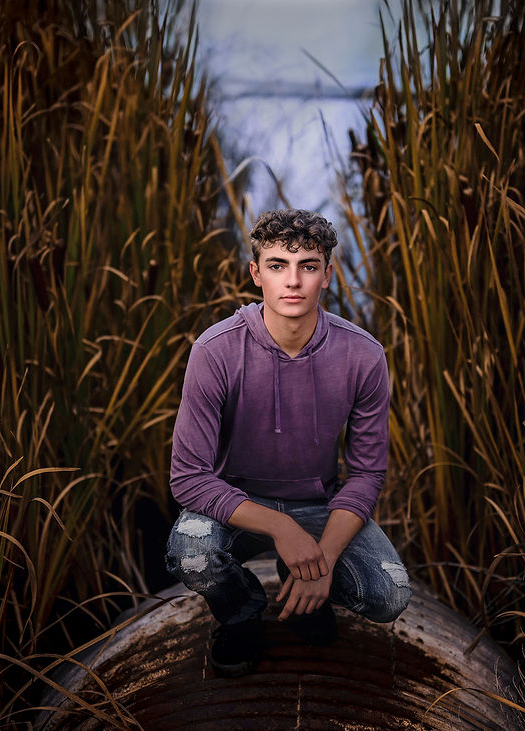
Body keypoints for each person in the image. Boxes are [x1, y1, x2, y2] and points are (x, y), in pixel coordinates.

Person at [165, 208, 412, 677]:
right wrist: (282, 530)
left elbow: (365, 474)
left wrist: (323, 561)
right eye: (278, 265)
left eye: (309, 266)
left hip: (317, 503)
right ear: (256, 273)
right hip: (236, 501)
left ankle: (306, 593)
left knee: (391, 595)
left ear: (328, 275)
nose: (293, 281)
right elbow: (189, 478)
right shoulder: (215, 351)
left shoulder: (363, 355)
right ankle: (240, 617)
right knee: (190, 552)